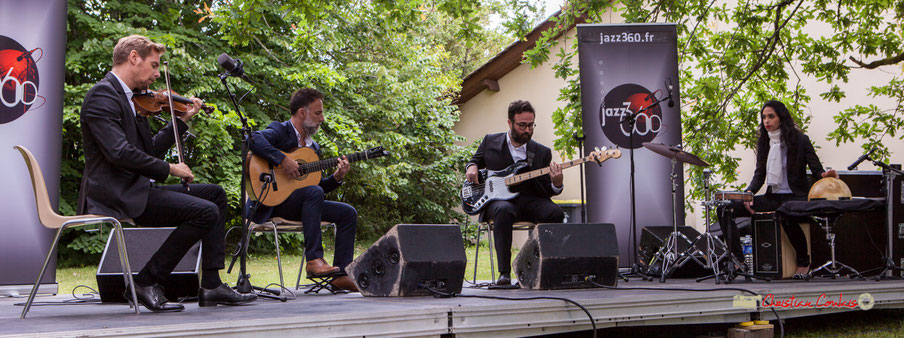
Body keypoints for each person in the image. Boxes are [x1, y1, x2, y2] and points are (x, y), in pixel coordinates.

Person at [79, 35, 256, 312]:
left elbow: (148, 152)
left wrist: (182, 121)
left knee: (216, 195)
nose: (157, 74)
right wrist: (171, 169)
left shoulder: (131, 99)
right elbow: (120, 153)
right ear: (133, 57)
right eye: (153, 65)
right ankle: (147, 280)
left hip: (136, 186)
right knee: (205, 212)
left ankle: (210, 284)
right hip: (116, 192)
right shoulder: (102, 95)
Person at [245, 88, 359, 292]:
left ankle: (341, 275)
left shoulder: (312, 148)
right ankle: (314, 260)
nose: (322, 118)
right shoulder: (280, 130)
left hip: (302, 205)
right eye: (318, 113)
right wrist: (282, 159)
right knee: (313, 194)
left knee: (347, 213)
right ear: (301, 113)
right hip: (273, 203)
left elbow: (316, 187)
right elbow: (252, 139)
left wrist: (337, 178)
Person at [717, 100, 837, 279]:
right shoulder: (764, 142)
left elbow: (816, 170)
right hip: (773, 196)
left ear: (781, 117)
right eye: (764, 117)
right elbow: (759, 176)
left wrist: (825, 175)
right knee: (725, 207)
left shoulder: (800, 140)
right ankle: (738, 260)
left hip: (796, 197)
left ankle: (804, 262)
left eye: (771, 116)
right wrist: (748, 195)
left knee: (785, 211)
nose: (766, 121)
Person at [466, 100, 565, 286]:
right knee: (504, 210)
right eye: (522, 125)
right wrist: (471, 168)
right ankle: (504, 274)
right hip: (498, 202)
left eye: (531, 125)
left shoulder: (542, 152)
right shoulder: (490, 141)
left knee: (556, 213)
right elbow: (474, 161)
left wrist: (557, 183)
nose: (527, 130)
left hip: (529, 201)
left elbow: (547, 191)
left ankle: (539, 267)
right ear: (510, 123)